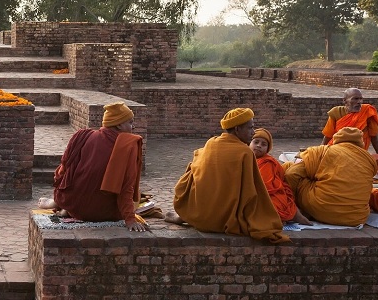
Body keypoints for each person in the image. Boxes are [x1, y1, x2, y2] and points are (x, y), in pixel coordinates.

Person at [170, 108, 288, 244]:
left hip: (198, 216)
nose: (253, 132)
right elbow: (252, 191)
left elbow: (195, 167)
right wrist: (266, 217)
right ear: (237, 129)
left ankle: (183, 216)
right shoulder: (245, 152)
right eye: (250, 128)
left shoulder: (211, 143)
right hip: (223, 221)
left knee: (193, 171)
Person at [38, 103, 146, 232]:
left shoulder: (83, 136)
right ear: (118, 125)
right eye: (130, 122)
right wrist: (130, 219)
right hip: (102, 212)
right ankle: (64, 207)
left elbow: (63, 170)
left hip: (74, 203)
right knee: (136, 195)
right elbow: (126, 186)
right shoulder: (128, 145)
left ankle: (62, 205)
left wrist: (61, 197)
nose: (133, 127)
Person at [284, 127, 377, 226]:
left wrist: (292, 202)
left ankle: (294, 210)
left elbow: (291, 174)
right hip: (356, 218)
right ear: (361, 143)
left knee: (288, 166)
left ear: (336, 139)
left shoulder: (323, 151)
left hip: (321, 208)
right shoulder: (369, 159)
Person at [249, 128, 308, 225]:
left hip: (270, 194)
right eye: (256, 142)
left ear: (267, 149)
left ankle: (290, 216)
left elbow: (265, 186)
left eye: (263, 144)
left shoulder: (268, 162)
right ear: (249, 143)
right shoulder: (246, 158)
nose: (259, 146)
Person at [321, 88, 378, 154]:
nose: (359, 102)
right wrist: (320, 152)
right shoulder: (336, 112)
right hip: (338, 152)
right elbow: (328, 136)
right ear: (345, 100)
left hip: (359, 152)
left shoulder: (367, 111)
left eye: (361, 99)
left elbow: (374, 136)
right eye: (355, 99)